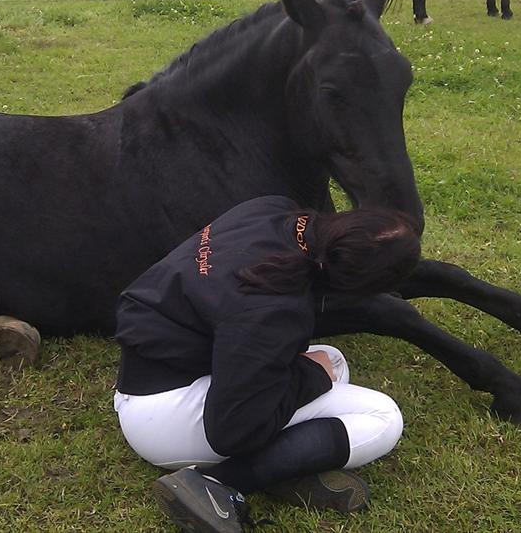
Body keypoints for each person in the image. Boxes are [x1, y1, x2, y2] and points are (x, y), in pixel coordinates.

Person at [113, 195, 422, 532]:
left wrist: (314, 371)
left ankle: (284, 467)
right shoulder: (277, 310)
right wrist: (312, 376)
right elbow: (231, 432)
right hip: (162, 419)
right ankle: (216, 485)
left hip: (151, 372)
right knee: (383, 416)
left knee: (333, 360)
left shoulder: (274, 209)